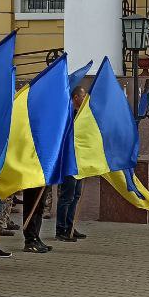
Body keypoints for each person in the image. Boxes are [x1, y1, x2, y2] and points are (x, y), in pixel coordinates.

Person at [56, 86, 88, 243]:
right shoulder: (68, 115)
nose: (85, 99)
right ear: (76, 97)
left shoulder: (82, 115)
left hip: (79, 160)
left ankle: (70, 226)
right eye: (83, 96)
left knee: (76, 195)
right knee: (67, 196)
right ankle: (61, 229)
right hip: (69, 161)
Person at [20, 186, 51, 253]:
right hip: (33, 178)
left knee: (40, 206)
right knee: (31, 206)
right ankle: (30, 240)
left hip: (44, 177)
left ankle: (35, 236)